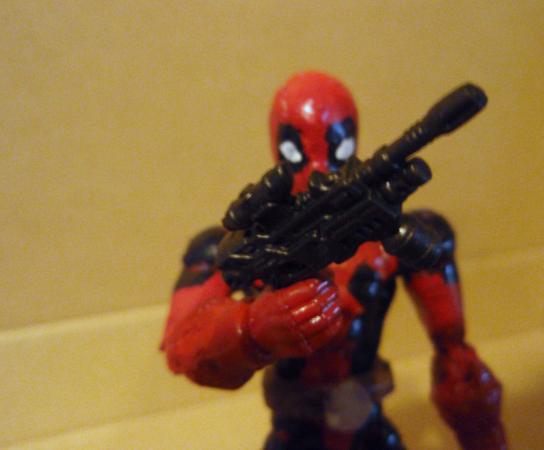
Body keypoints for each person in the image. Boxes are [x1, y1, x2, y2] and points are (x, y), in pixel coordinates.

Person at [161, 71, 506, 450]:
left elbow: (459, 370)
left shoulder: (387, 239)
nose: (318, 173)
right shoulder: (236, 249)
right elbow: (182, 350)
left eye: (339, 154)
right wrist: (250, 328)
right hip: (295, 429)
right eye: (295, 155)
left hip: (365, 422)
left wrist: (480, 426)